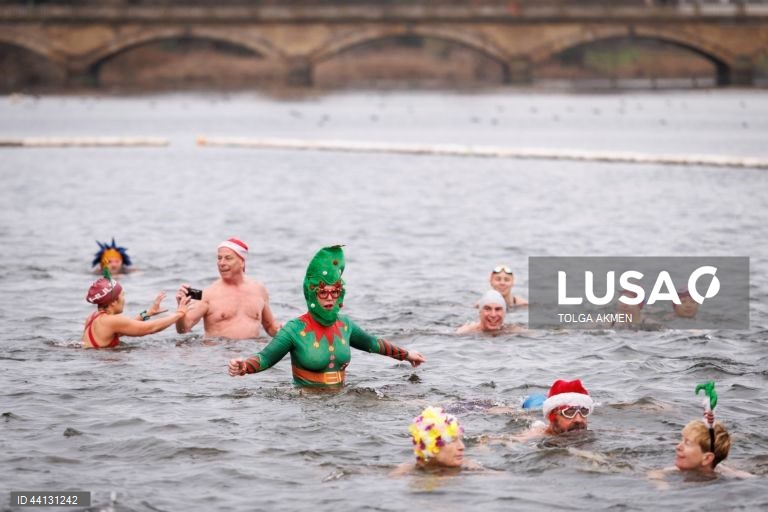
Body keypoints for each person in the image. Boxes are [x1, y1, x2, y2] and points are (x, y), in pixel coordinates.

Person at [228, 245, 425, 387]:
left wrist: (407, 355)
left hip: (341, 398)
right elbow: (265, 358)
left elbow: (373, 344)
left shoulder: (345, 326)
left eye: (335, 292)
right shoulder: (294, 329)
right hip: (307, 403)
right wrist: (244, 366)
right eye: (323, 292)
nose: (330, 298)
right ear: (312, 294)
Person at [175, 238, 280, 340]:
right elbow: (183, 329)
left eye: (228, 258)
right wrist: (181, 312)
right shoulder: (207, 294)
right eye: (219, 258)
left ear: (242, 262)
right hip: (219, 353)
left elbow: (270, 327)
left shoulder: (259, 290)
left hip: (251, 352)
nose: (221, 263)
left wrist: (282, 330)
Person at [82, 271, 190, 348]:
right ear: (114, 301)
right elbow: (151, 328)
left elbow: (128, 325)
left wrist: (149, 312)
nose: (124, 300)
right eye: (122, 296)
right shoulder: (111, 321)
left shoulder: (94, 317)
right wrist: (179, 313)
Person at [648, 411, 753, 485]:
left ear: (706, 458)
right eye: (682, 440)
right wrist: (662, 487)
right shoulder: (677, 470)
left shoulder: (730, 476)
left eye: (687, 443)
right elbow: (654, 473)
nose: (678, 447)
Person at [391, 406, 483, 475]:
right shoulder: (402, 473)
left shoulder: (471, 468)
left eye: (460, 440)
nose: (462, 447)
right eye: (452, 441)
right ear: (430, 445)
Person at [514, 379, 594, 440]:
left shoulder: (584, 431)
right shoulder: (537, 433)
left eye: (584, 411)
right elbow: (510, 440)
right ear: (553, 416)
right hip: (533, 404)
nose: (579, 419)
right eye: (569, 412)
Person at [457, 290, 526, 334]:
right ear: (480, 312)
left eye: (498, 309)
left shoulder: (512, 331)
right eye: (488, 309)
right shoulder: (466, 332)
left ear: (504, 313)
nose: (493, 315)